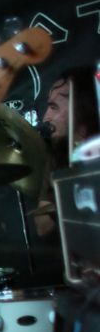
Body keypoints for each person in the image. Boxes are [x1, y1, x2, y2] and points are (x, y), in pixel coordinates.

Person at [34, 65, 99, 239]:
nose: (45, 117)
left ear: (81, 106)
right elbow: (42, 226)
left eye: (54, 107)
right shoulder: (58, 156)